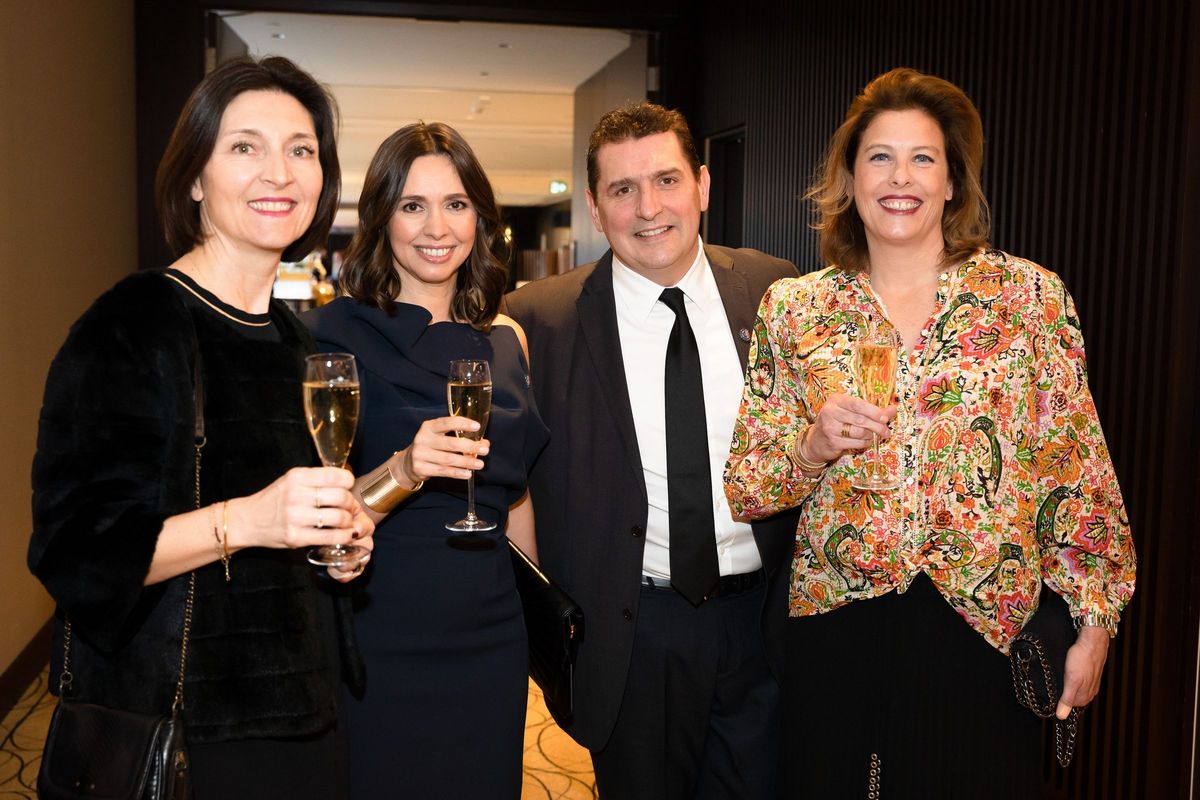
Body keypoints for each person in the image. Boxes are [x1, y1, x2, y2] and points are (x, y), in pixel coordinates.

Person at [723, 67, 1137, 798]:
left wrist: (1095, 622)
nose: (900, 178)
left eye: (923, 158)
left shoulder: (1027, 300)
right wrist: (812, 448)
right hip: (836, 625)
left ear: (951, 183)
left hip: (982, 624)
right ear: (850, 178)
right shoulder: (796, 309)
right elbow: (747, 487)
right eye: (879, 157)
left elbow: (1075, 468)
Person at [28, 56, 375, 798]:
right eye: (245, 146)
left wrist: (341, 549)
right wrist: (247, 520)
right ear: (193, 176)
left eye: (301, 149)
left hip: (311, 719)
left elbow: (296, 541)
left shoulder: (300, 345)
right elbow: (74, 554)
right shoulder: (133, 324)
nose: (279, 172)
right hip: (189, 736)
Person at [504, 102, 799, 799]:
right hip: (632, 633)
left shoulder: (775, 290)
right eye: (623, 189)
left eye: (667, 180)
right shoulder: (538, 321)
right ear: (595, 207)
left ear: (703, 185)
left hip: (762, 621)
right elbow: (513, 484)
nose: (648, 208)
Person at [304, 121, 547, 799]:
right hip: (381, 623)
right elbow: (322, 518)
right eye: (413, 205)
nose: (436, 227)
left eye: (456, 204)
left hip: (492, 631)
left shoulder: (507, 339)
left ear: (480, 218)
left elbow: (516, 492)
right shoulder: (334, 336)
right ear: (381, 218)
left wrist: (540, 611)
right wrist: (405, 469)